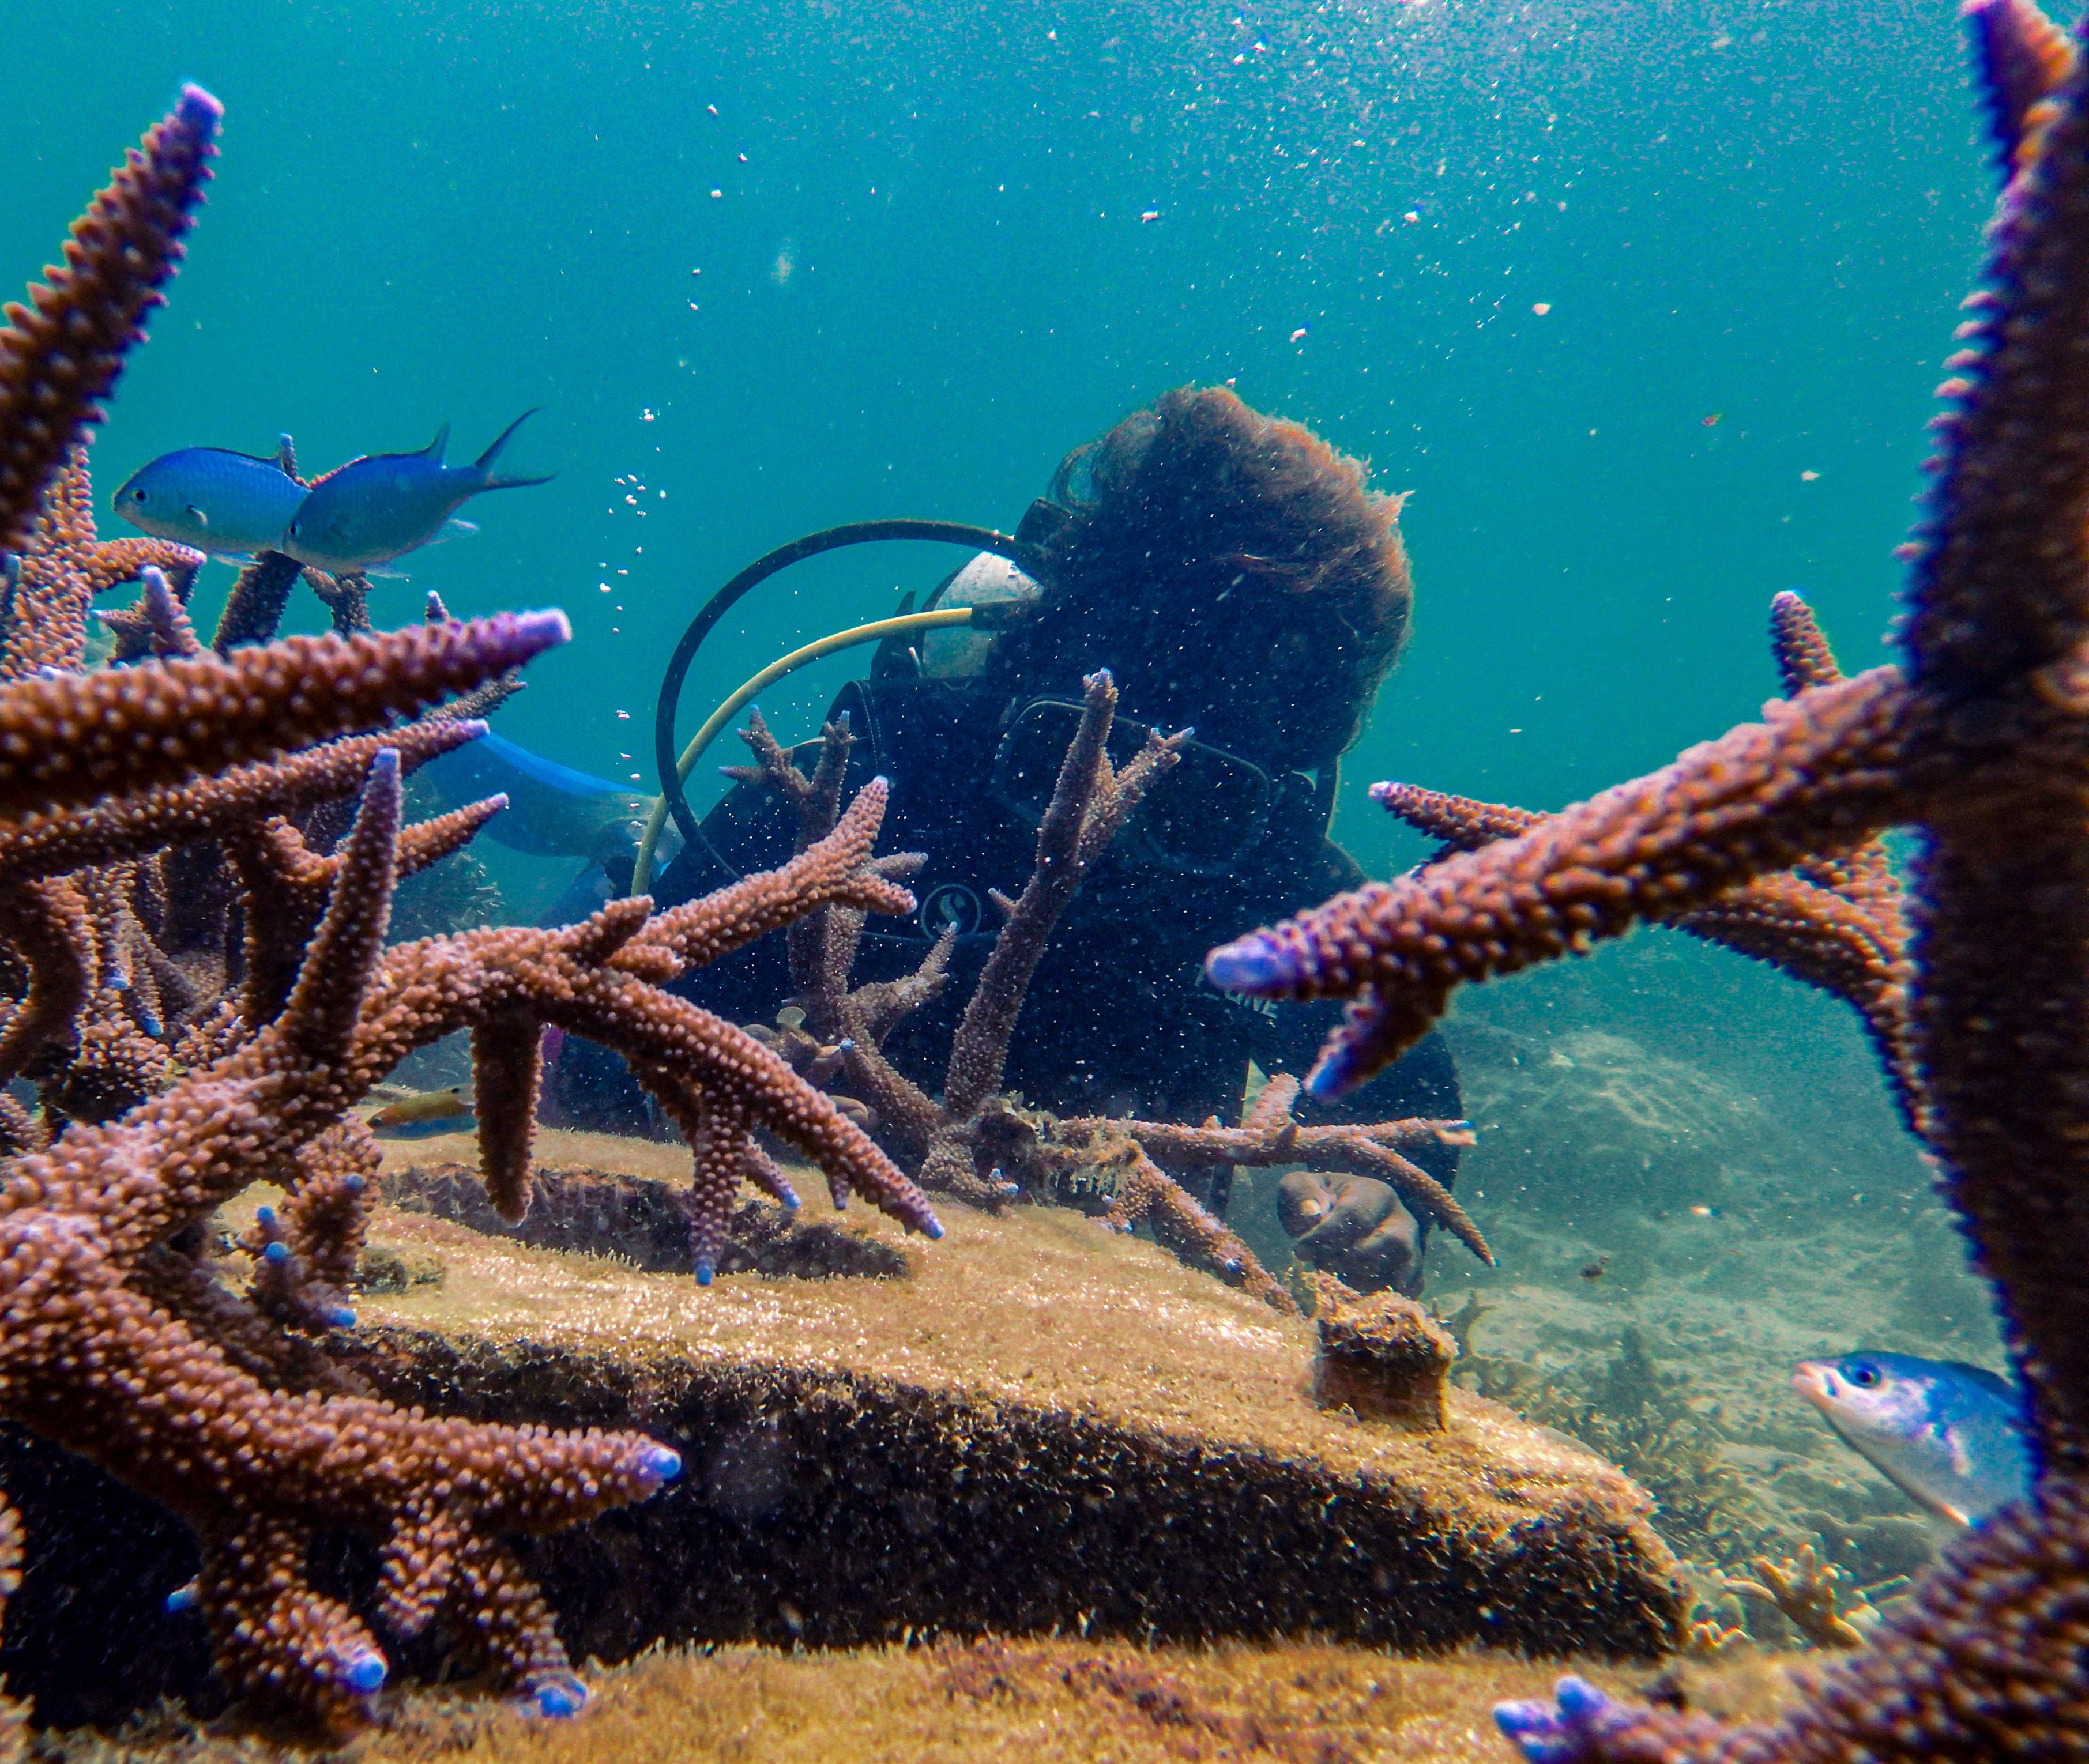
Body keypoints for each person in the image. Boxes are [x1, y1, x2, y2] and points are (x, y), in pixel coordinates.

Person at [552, 386, 1463, 1284]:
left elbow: (1407, 1099)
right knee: (606, 920)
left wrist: (1391, 1207)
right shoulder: (892, 774)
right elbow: (612, 1037)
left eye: (1199, 806)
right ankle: (617, 828)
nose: (1106, 841)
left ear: (1266, 801)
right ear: (1012, 694)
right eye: (1064, 752)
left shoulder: (1272, 884)